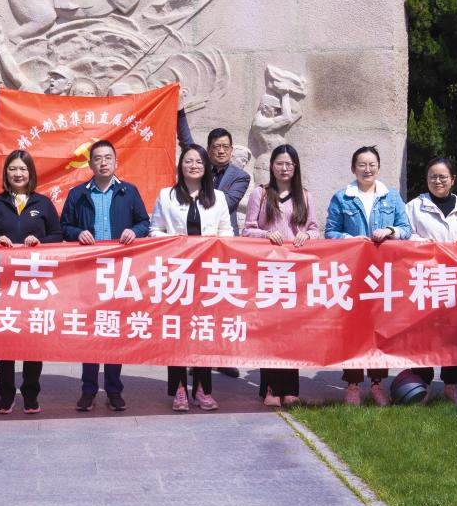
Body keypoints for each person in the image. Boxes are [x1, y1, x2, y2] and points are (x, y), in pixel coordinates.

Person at [60, 140, 150, 412]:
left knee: (113, 330)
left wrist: (135, 231)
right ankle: (88, 390)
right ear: (90, 164)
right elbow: (64, 226)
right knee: (91, 331)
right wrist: (78, 233)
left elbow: (144, 222)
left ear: (116, 162)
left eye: (108, 158)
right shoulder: (78, 194)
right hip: (88, 271)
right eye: (97, 158)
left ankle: (114, 389)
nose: (103, 163)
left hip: (119, 271)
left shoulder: (128, 191)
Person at [0, 150, 63, 414]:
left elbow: (58, 235)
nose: (18, 174)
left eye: (23, 169)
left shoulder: (43, 203)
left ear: (30, 173)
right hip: (4, 284)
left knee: (33, 340)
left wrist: (40, 242)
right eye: (13, 169)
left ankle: (31, 393)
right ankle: (5, 393)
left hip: (35, 284)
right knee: (6, 338)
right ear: (6, 173)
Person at [324, 145, 412, 406]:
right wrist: (351, 239)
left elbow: (406, 229)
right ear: (353, 169)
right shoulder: (342, 197)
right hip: (352, 274)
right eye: (362, 165)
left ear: (379, 167)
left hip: (383, 275)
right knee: (353, 330)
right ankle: (352, 384)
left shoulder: (391, 196)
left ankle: (377, 384)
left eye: (372, 164)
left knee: (380, 329)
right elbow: (330, 232)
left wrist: (391, 231)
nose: (367, 169)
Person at [150, 144, 233, 412]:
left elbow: (228, 233)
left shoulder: (218, 197)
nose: (194, 165)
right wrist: (176, 240)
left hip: (208, 276)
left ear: (206, 166)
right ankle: (178, 389)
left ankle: (202, 389)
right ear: (181, 165)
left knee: (203, 330)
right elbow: (154, 231)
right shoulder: (167, 196)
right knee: (176, 331)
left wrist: (213, 242)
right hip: (177, 275)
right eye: (188, 161)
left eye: (199, 161)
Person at [242, 144, 320, 407]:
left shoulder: (305, 196)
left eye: (289, 164)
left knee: (293, 330)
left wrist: (306, 235)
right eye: (279, 163)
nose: (284, 168)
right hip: (269, 271)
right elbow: (247, 230)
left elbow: (315, 229)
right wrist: (266, 234)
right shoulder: (261, 194)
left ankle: (290, 388)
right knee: (271, 330)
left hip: (296, 272)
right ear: (272, 166)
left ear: (295, 167)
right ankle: (271, 388)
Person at [177, 116, 251, 377]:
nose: (221, 151)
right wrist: (180, 113)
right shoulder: (199, 167)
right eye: (216, 146)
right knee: (194, 302)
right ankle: (194, 356)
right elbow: (187, 143)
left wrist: (197, 194)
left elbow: (226, 204)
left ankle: (222, 356)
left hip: (223, 247)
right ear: (208, 150)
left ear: (231, 149)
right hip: (194, 246)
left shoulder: (241, 176)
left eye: (225, 147)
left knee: (222, 302)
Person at [404, 157, 457, 408]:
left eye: (443, 176)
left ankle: (451, 386)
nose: (437, 181)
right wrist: (425, 246)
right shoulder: (414, 206)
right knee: (423, 334)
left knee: (453, 333)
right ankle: (421, 384)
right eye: (432, 176)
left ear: (453, 180)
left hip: (454, 280)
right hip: (423, 279)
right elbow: (406, 235)